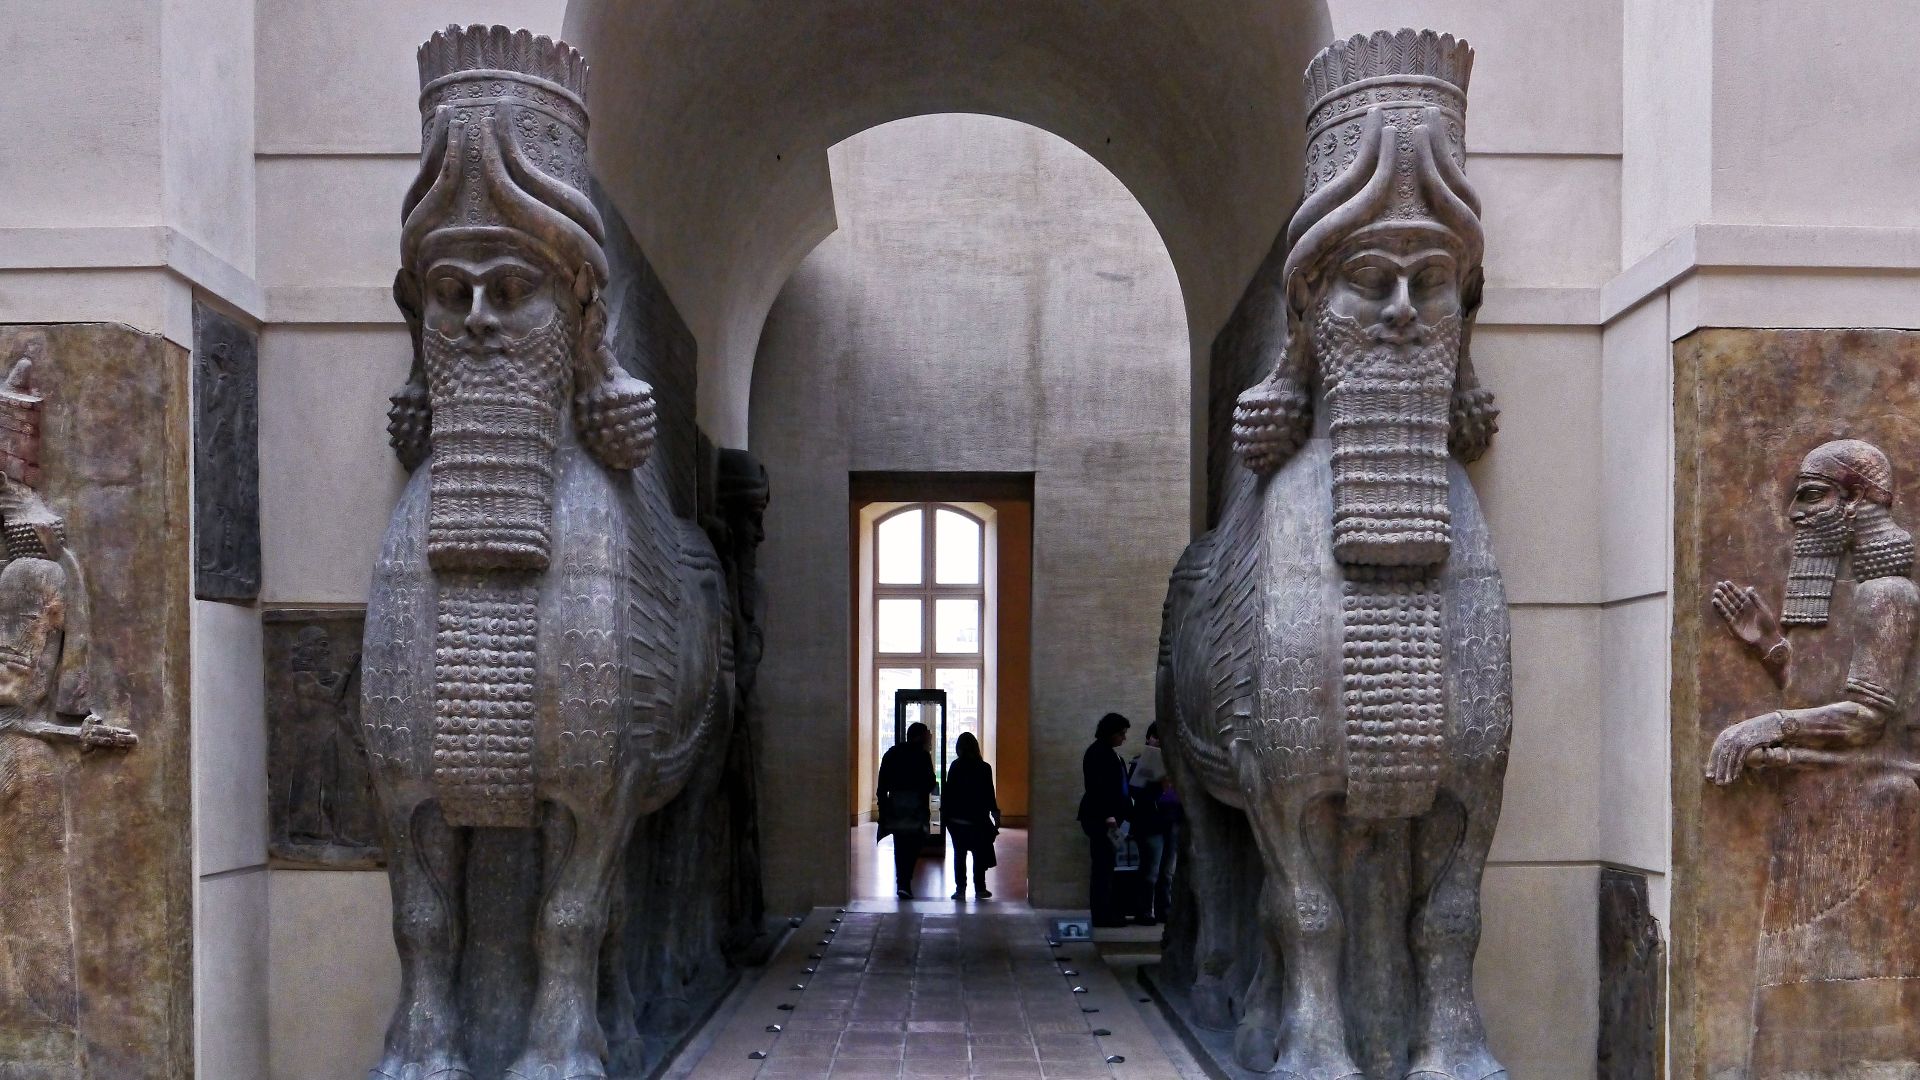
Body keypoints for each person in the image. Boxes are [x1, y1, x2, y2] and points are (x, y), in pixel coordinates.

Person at [1077, 712, 1133, 927]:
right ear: (1111, 732)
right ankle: (1101, 915)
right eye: (1121, 733)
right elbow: (1097, 788)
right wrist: (1109, 815)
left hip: (1107, 817)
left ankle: (1105, 911)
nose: (1124, 738)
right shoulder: (1098, 753)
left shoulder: (1107, 752)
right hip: (1101, 819)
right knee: (1102, 868)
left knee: (1106, 868)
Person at [875, 721, 936, 899]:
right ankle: (904, 880)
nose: (929, 738)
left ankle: (903, 882)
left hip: (896, 809)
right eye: (927, 735)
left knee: (900, 845)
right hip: (917, 809)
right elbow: (930, 782)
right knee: (913, 845)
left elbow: (882, 784)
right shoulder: (923, 756)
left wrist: (883, 808)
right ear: (919, 736)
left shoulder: (892, 753)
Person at [1128, 723, 1179, 926]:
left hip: (1171, 820)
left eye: (1162, 738)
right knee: (1151, 870)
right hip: (1150, 823)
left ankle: (1163, 910)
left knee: (1168, 871)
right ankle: (1144, 911)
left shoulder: (1174, 762)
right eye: (1155, 737)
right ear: (1149, 738)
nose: (1158, 742)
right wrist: (1159, 786)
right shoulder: (1139, 762)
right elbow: (1135, 793)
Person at [943, 731, 1000, 900]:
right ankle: (980, 888)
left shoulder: (955, 766)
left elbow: (949, 793)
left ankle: (960, 889)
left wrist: (945, 817)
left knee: (959, 855)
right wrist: (995, 815)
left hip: (957, 820)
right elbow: (990, 794)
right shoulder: (984, 768)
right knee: (979, 854)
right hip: (978, 820)